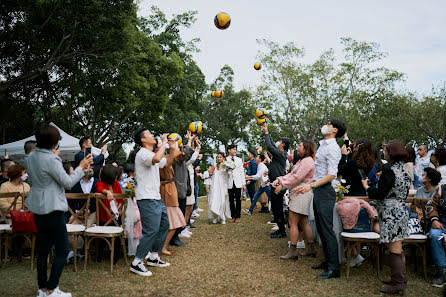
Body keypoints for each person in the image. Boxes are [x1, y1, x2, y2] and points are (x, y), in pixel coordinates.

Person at [26, 124, 93, 297]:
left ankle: (42, 288)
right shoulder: (52, 159)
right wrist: (81, 167)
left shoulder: (31, 157)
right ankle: (51, 289)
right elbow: (68, 182)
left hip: (38, 208)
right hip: (52, 208)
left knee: (43, 250)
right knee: (62, 250)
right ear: (54, 141)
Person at [295, 118, 347, 279]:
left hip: (325, 191)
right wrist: (308, 182)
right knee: (321, 227)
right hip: (319, 188)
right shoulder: (324, 145)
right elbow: (320, 173)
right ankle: (327, 261)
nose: (327, 126)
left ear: (334, 130)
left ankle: (334, 268)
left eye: (330, 125)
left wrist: (311, 186)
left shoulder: (333, 148)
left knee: (327, 229)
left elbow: (331, 175)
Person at [361, 140, 411, 295]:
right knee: (397, 246)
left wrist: (367, 187)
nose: (384, 154)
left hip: (391, 212)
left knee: (394, 248)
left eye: (386, 151)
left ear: (391, 153)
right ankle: (400, 279)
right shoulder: (404, 169)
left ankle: (398, 284)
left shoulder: (389, 169)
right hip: (401, 210)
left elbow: (381, 192)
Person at [130, 128, 174, 277]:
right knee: (151, 230)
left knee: (164, 225)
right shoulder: (142, 153)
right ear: (143, 140)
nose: (152, 135)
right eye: (149, 134)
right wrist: (163, 143)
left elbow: (166, 163)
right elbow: (156, 159)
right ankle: (137, 262)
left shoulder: (150, 154)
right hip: (146, 197)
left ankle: (154, 256)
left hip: (155, 196)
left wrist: (173, 148)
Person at [272, 141, 315, 260]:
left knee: (293, 222)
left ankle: (293, 250)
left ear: (306, 149)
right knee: (303, 222)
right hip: (299, 191)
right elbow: (292, 175)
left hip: (301, 192)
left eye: (300, 146)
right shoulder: (303, 161)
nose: (297, 149)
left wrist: (283, 185)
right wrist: (279, 180)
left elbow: (297, 177)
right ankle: (311, 249)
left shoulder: (307, 162)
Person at [261, 123, 289, 238]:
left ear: (283, 145)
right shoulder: (279, 153)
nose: (277, 142)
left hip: (278, 184)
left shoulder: (282, 154)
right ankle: (279, 228)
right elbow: (272, 144)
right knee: (275, 208)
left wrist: (266, 132)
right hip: (274, 183)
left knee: (278, 208)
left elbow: (270, 146)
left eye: (279, 141)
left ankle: (282, 231)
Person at [159, 140, 186, 256]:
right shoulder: (160, 160)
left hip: (170, 189)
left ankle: (163, 246)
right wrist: (173, 148)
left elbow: (179, 157)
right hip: (167, 191)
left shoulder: (163, 158)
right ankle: (163, 247)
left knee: (173, 221)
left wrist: (177, 147)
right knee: (174, 221)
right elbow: (173, 158)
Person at [427, 183, 446, 287]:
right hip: (442, 224)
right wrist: (434, 219)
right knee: (434, 235)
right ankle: (442, 271)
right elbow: (431, 205)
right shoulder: (442, 189)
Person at [208, 152, 231, 224]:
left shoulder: (227, 165)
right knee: (215, 200)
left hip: (223, 185)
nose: (219, 158)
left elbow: (229, 174)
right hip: (216, 185)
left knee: (222, 201)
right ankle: (215, 217)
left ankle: (222, 217)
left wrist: (229, 170)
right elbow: (210, 173)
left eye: (220, 157)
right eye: (218, 157)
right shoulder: (215, 165)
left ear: (224, 158)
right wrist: (210, 173)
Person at [226, 144, 246, 223]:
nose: (235, 151)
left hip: (238, 182)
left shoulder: (239, 160)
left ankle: (238, 216)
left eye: (235, 149)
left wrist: (243, 184)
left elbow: (241, 172)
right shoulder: (225, 159)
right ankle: (232, 216)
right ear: (229, 150)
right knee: (231, 200)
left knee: (238, 200)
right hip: (229, 182)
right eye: (233, 149)